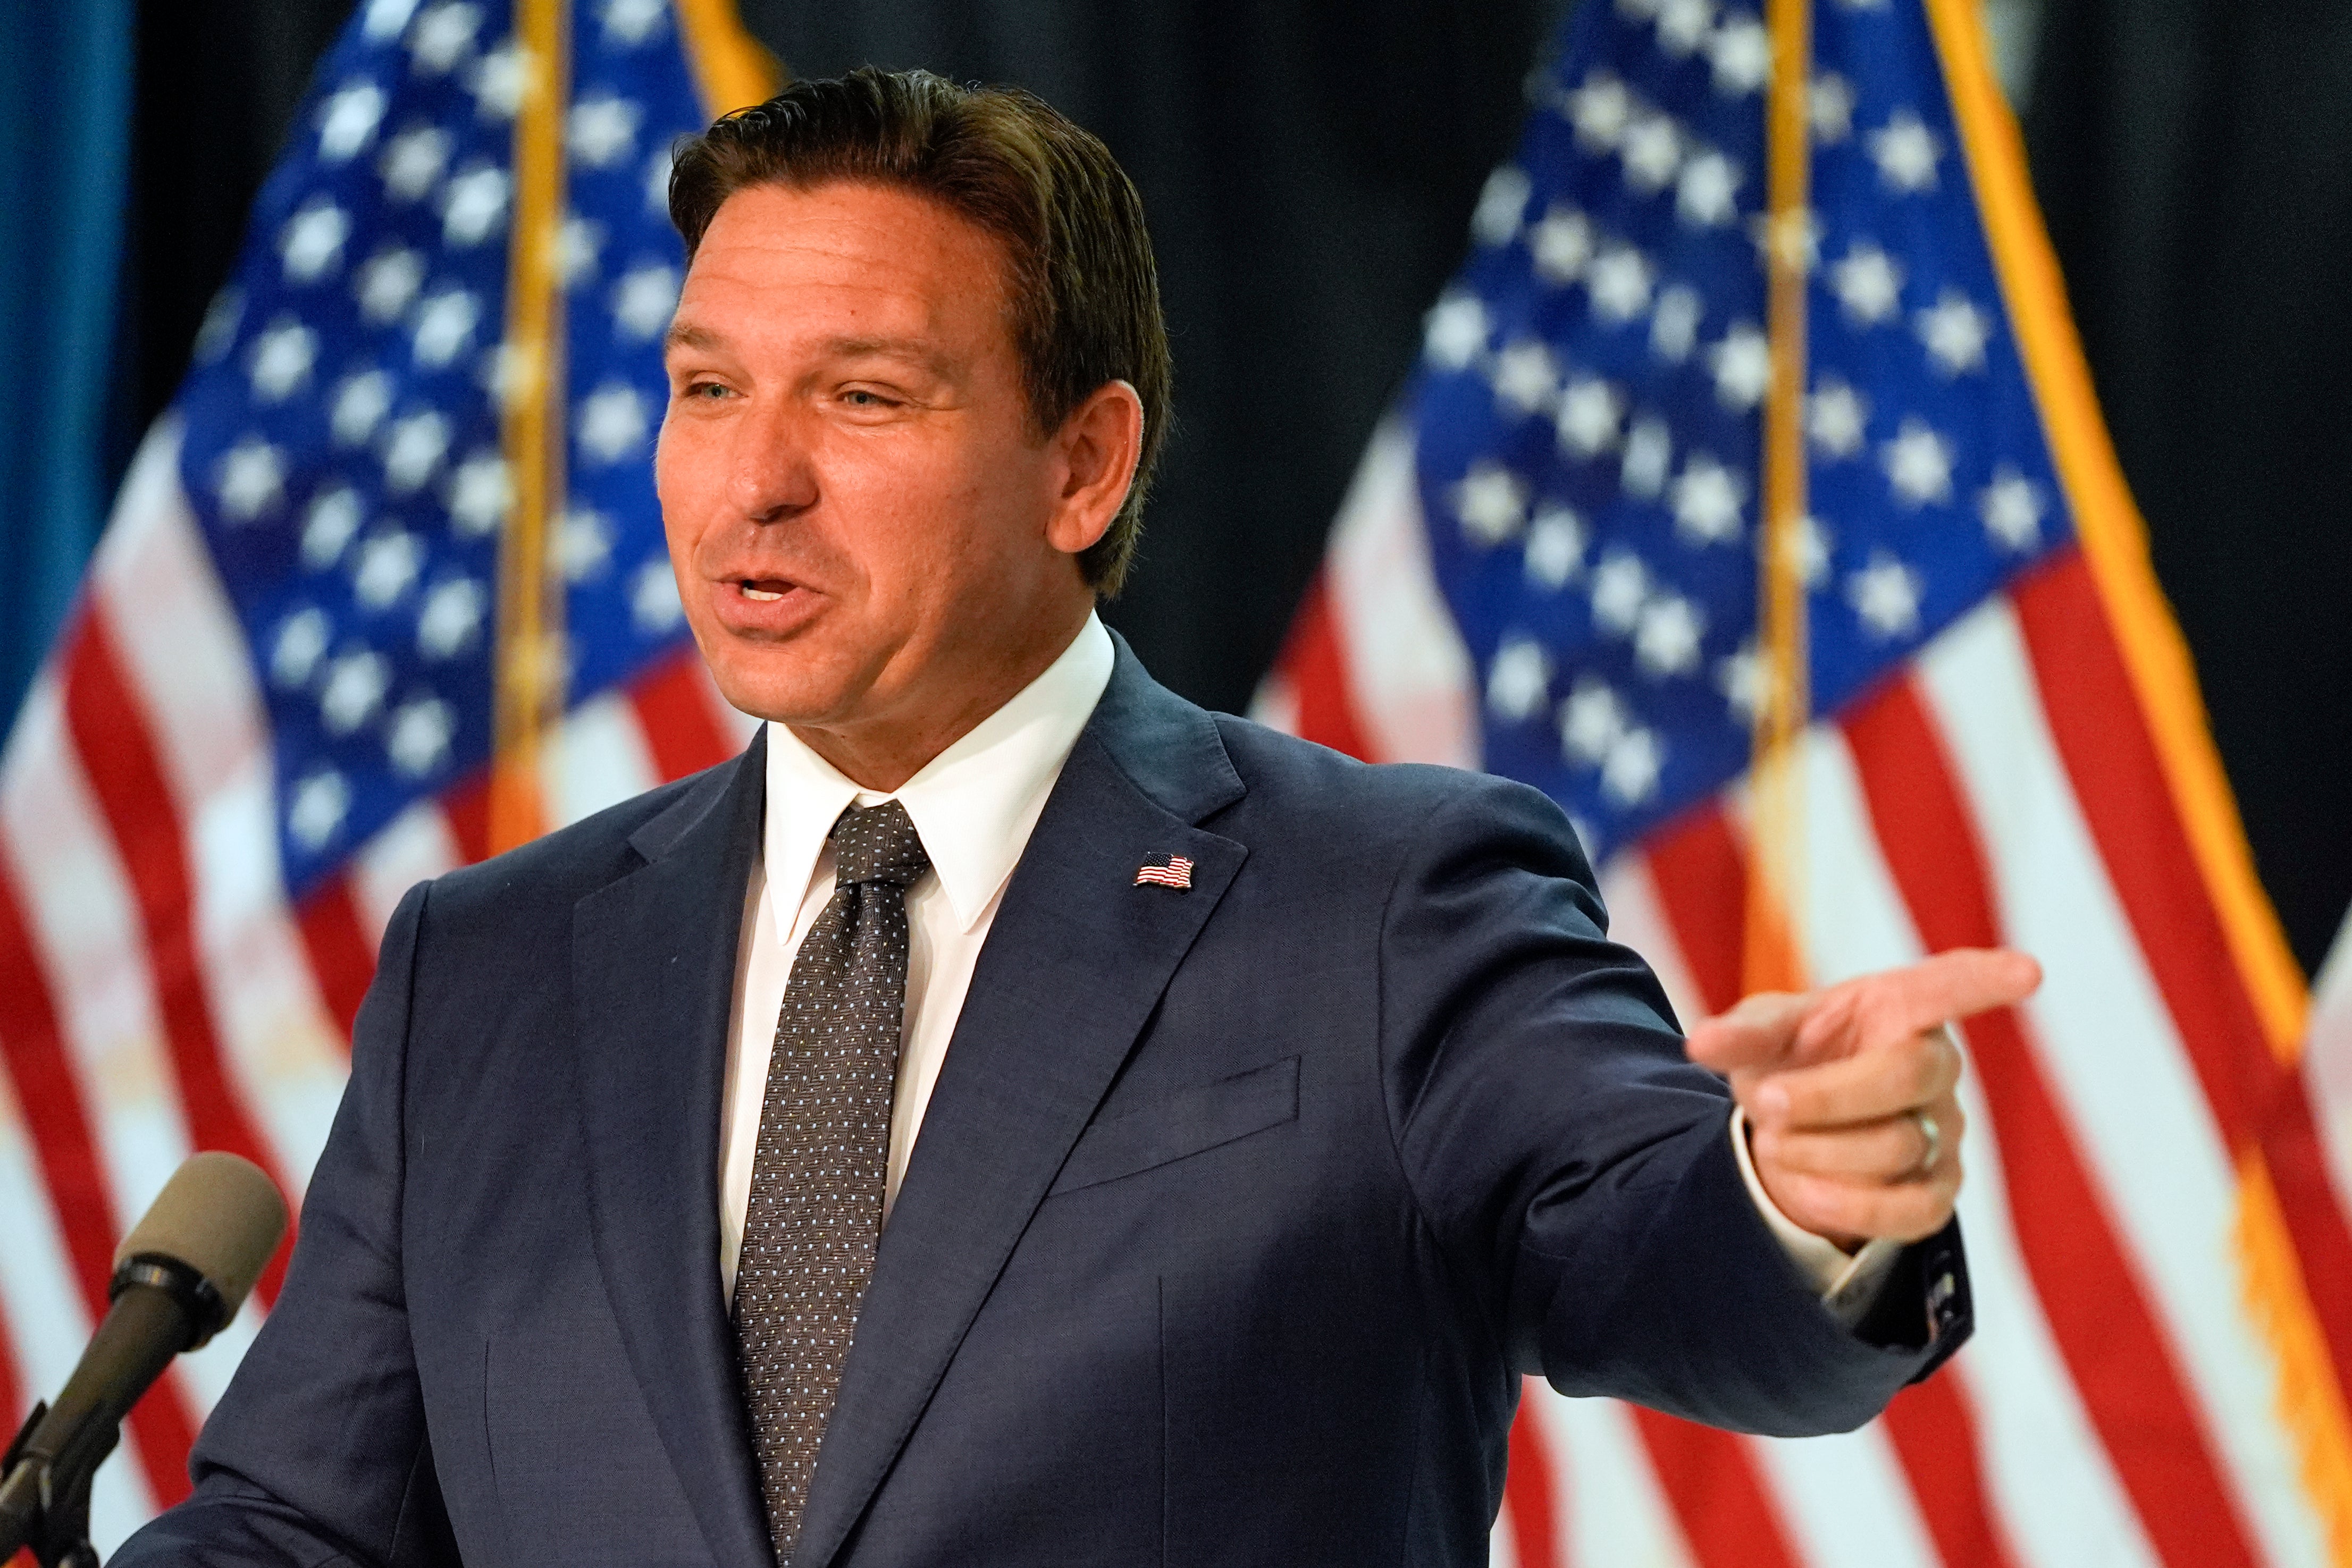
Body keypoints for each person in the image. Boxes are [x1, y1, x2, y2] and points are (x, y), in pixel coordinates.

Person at [117, 68, 2036, 1568]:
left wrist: (1803, 1207)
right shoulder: (496, 965)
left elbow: (1652, 1265)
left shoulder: (1385, 900)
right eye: (706, 389)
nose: (748, 486)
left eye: (861, 398)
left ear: (1084, 461)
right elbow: (311, 1525)